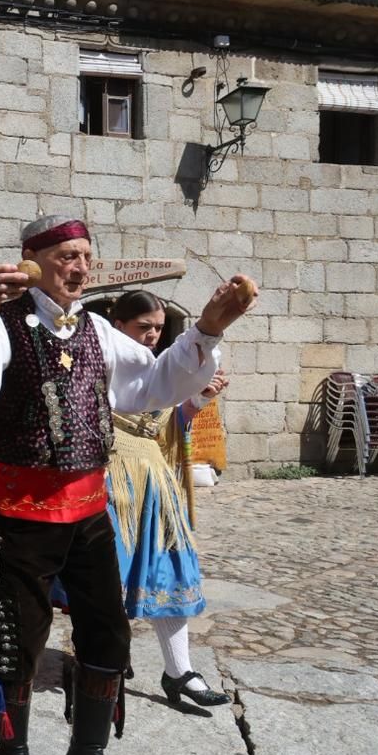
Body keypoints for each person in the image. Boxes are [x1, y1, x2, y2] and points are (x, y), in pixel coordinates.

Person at [0, 213, 253, 755]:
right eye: (66, 256)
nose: (79, 268)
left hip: (89, 509)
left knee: (108, 634)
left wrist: (207, 328)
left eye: (85, 257)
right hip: (20, 512)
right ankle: (12, 754)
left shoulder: (99, 331)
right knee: (19, 640)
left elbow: (154, 384)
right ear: (32, 260)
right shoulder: (3, 328)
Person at [103, 291, 229, 709]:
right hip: (109, 479)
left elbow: (164, 428)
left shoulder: (166, 370)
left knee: (170, 569)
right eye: (143, 327)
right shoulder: (99, 366)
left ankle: (179, 672)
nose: (153, 335)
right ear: (118, 326)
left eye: (158, 328)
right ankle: (106, 660)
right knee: (109, 576)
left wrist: (198, 400)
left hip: (155, 482)